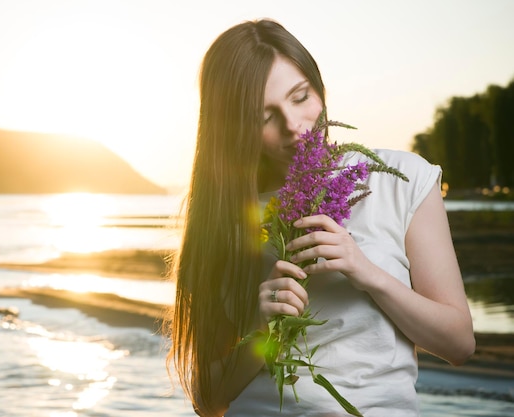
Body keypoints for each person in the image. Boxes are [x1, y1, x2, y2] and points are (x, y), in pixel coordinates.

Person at [166, 19, 475, 417]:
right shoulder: (222, 216)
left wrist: (367, 273)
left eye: (300, 97)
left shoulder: (402, 179)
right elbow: (207, 400)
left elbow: (459, 344)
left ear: (319, 86)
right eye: (264, 118)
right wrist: (262, 333)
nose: (294, 126)